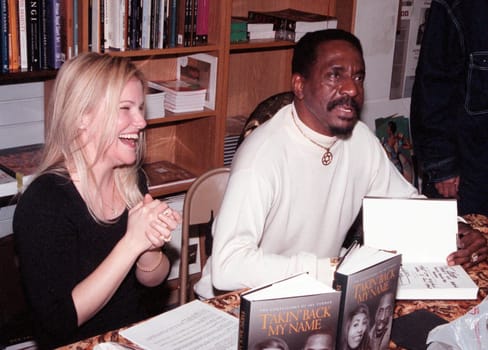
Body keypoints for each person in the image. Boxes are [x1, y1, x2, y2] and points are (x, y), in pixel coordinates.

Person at [193, 28, 486, 299]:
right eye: (335, 76)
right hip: (238, 300)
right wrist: (328, 270)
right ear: (300, 85)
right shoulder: (262, 155)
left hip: (314, 289)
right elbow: (228, 266)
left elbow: (404, 203)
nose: (351, 89)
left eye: (358, 77)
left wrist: (454, 231)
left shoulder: (358, 138)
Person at [13, 52, 181, 349]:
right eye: (125, 108)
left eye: (140, 108)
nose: (141, 121)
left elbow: (153, 279)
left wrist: (149, 246)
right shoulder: (45, 201)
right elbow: (58, 322)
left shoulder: (132, 180)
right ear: (81, 117)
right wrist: (130, 243)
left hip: (131, 338)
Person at [410, 0, 488, 217]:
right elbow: (432, 87)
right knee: (460, 247)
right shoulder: (460, 6)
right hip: (471, 175)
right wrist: (441, 165)